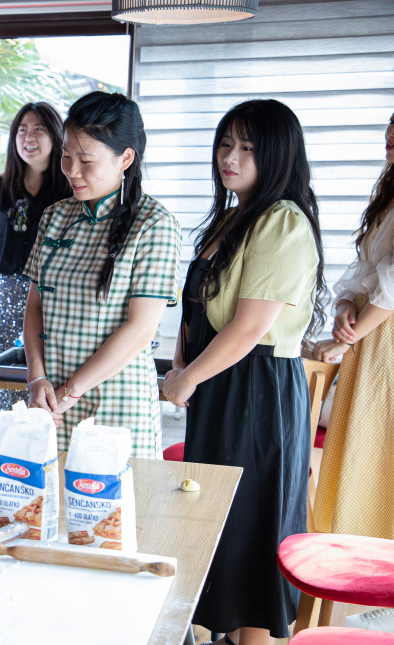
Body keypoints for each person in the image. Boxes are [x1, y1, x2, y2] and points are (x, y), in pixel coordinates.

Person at [162, 99, 328, 645]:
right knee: (217, 528)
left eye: (247, 148)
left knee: (250, 533)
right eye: (226, 144)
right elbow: (198, 309)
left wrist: (187, 378)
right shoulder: (237, 213)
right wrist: (183, 364)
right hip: (221, 382)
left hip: (255, 390)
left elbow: (249, 326)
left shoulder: (282, 220)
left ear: (277, 155)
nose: (230, 157)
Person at [24, 91, 180, 458]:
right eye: (66, 156)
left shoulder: (154, 224)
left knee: (115, 513)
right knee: (46, 509)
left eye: (86, 160)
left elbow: (140, 329)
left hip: (116, 406)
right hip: (49, 405)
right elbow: (34, 307)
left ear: (125, 158)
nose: (72, 171)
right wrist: (36, 379)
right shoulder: (55, 216)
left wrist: (69, 392)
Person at [312, 111, 394, 539]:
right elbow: (366, 269)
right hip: (370, 334)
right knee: (361, 447)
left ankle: (380, 580)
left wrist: (352, 333)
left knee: (379, 451)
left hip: (385, 340)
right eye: (389, 136)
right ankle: (358, 564)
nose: (389, 142)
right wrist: (345, 305)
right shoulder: (389, 195)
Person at [0, 102, 71, 416]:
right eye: (22, 130)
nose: (29, 137)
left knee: (44, 383)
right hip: (0, 297)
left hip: (51, 300)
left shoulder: (69, 190)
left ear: (56, 136)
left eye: (39, 129)